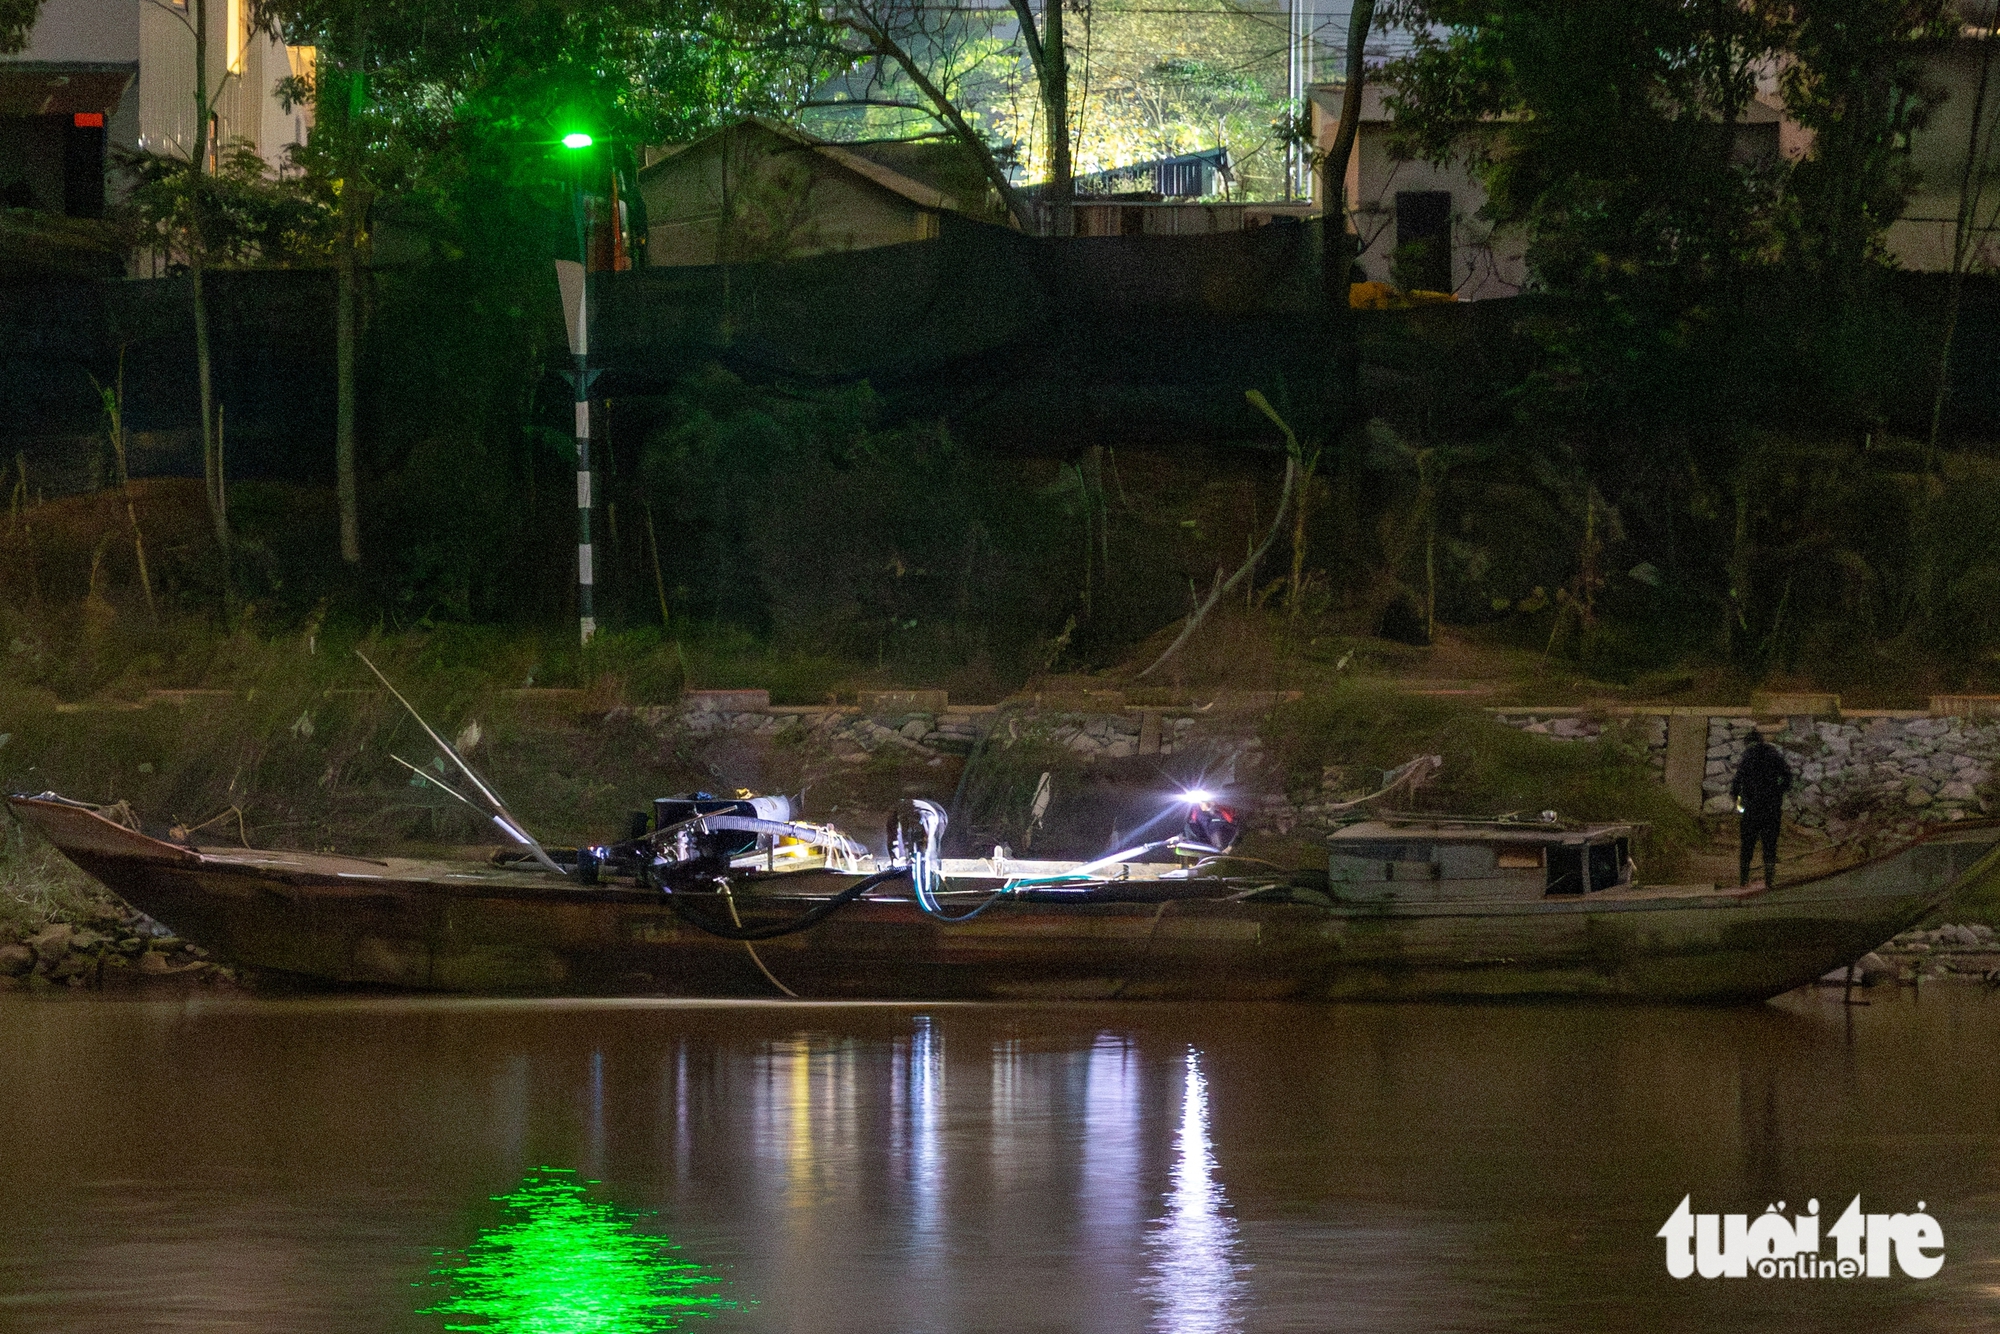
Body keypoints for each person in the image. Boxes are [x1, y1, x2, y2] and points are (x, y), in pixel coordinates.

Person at [1730, 728, 1793, 888]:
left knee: (1747, 845)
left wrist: (1737, 800)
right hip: (1772, 807)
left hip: (1751, 807)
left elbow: (1737, 782)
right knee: (1770, 844)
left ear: (1748, 743)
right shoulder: (1774, 755)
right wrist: (1778, 791)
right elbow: (1788, 777)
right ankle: (1769, 880)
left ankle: (1743, 880)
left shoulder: (1748, 757)